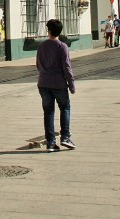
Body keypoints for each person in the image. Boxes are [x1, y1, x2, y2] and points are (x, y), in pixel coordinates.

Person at [36, 18, 76, 152]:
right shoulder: (62, 46)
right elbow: (67, 67)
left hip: (43, 83)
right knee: (65, 108)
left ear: (49, 31)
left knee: (48, 113)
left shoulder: (41, 46)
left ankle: (51, 143)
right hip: (58, 84)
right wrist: (71, 84)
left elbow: (38, 65)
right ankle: (65, 137)